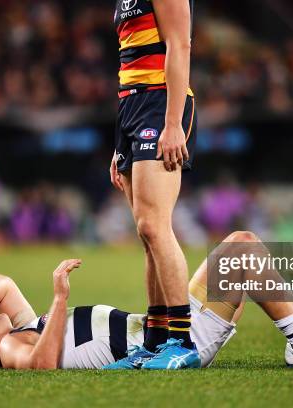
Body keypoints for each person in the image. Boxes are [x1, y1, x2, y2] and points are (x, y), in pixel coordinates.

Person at [0, 231, 293, 370]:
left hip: (167, 328)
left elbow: (1, 283)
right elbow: (41, 366)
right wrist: (60, 297)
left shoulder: (24, 329)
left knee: (241, 242)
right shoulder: (11, 347)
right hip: (180, 342)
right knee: (244, 252)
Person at [110, 0, 199, 369]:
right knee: (146, 234)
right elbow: (130, 57)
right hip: (130, 106)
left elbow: (180, 43)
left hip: (160, 103)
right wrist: (119, 144)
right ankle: (156, 340)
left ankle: (182, 341)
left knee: (154, 225)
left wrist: (173, 122)